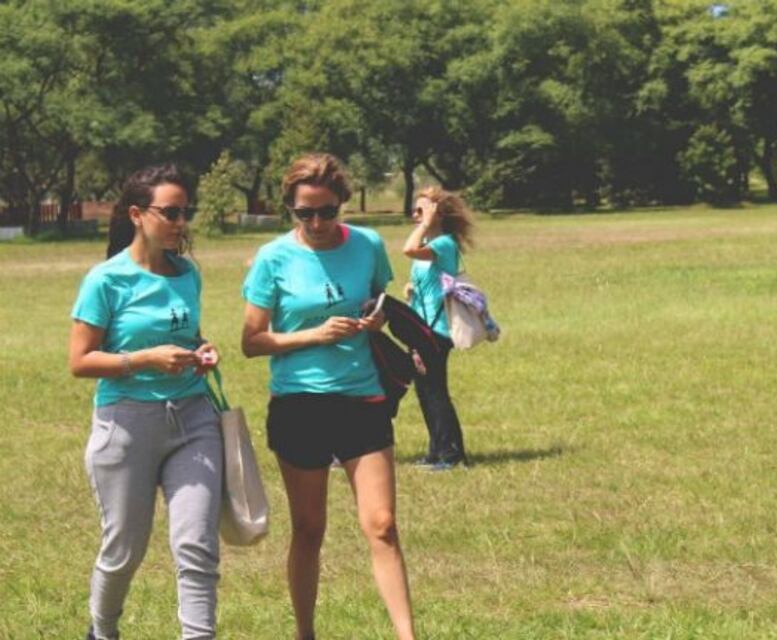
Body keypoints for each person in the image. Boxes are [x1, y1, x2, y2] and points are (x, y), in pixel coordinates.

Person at [240, 153, 415, 640]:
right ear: (290, 209)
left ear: (342, 203)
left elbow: (378, 297)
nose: (316, 222)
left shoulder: (368, 244)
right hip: (300, 404)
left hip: (363, 398)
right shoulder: (275, 258)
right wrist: (315, 335)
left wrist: (375, 317)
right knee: (309, 528)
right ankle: (305, 633)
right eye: (304, 213)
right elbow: (251, 342)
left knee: (382, 525)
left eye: (326, 211)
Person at [69, 164, 222, 640]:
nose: (180, 221)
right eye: (170, 212)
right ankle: (103, 631)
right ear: (137, 214)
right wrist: (144, 359)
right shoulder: (106, 280)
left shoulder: (187, 273)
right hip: (127, 425)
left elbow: (185, 335)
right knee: (124, 551)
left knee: (197, 545)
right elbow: (80, 361)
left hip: (194, 418)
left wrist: (200, 352)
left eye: (184, 212)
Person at [402, 186, 476, 471]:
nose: (415, 215)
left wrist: (424, 224)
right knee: (425, 391)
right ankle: (436, 451)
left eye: (421, 210)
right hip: (420, 327)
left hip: (437, 330)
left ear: (436, 214)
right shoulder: (431, 244)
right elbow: (423, 275)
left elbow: (408, 249)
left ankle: (451, 454)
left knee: (435, 391)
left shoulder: (444, 243)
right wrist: (412, 289)